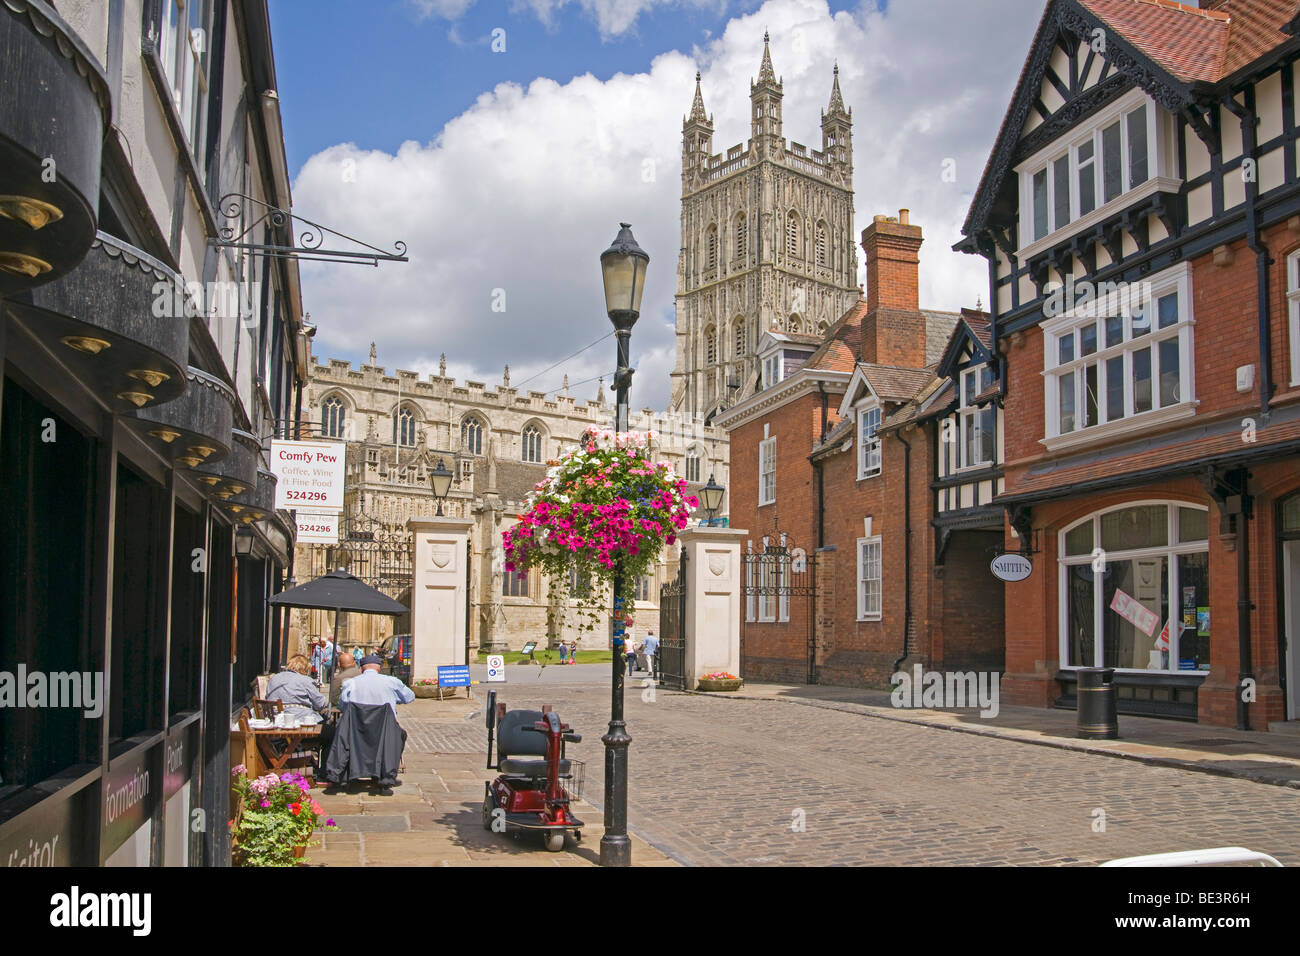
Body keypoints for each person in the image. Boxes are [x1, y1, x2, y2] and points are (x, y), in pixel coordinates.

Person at [340, 654, 416, 714]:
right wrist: (394, 697)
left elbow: (343, 706)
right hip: (386, 729)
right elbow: (410, 697)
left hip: (357, 730)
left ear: (361, 669)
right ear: (379, 669)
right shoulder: (392, 682)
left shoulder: (350, 684)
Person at [266, 655, 327, 723]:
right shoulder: (305, 680)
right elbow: (320, 704)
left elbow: (267, 697)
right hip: (299, 720)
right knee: (330, 730)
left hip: (274, 720)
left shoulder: (273, 678)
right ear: (305, 668)